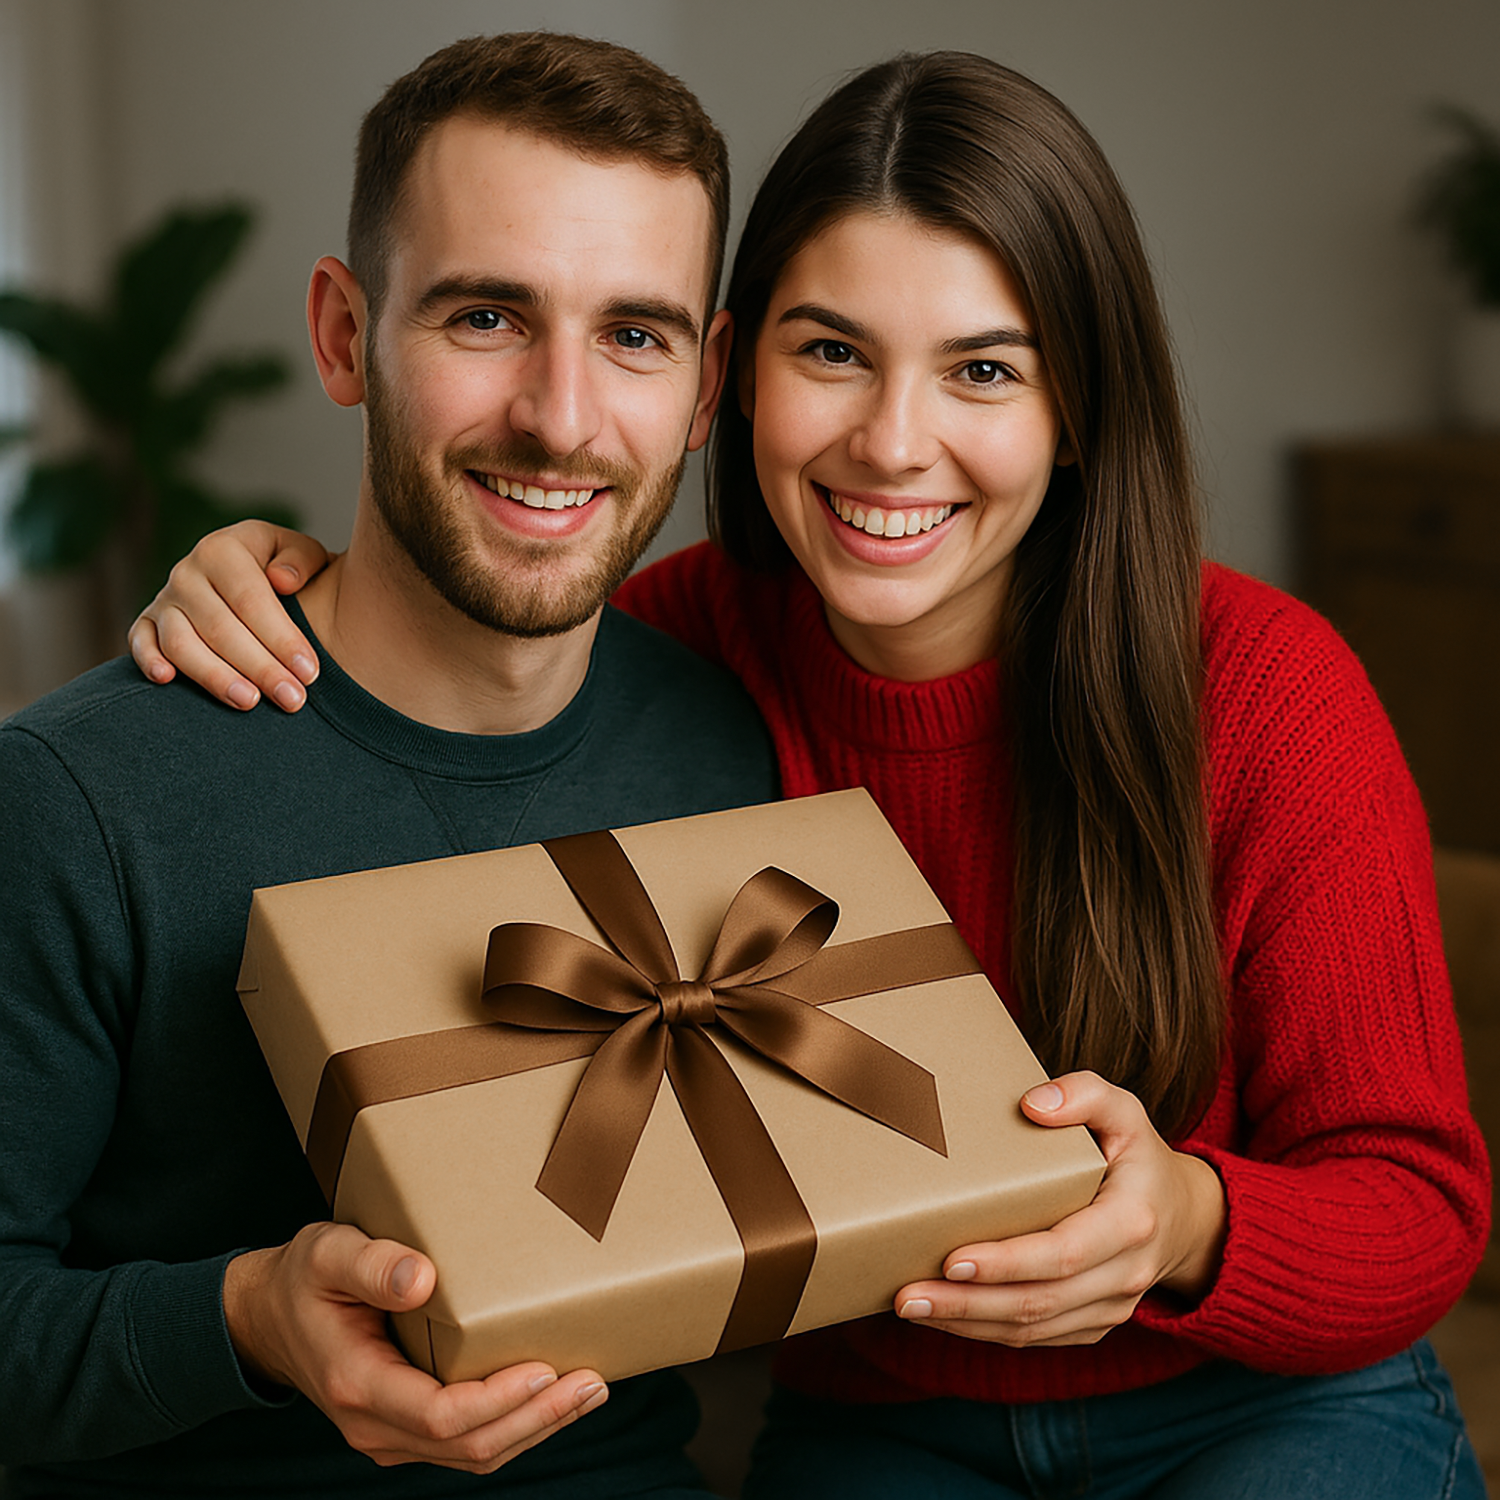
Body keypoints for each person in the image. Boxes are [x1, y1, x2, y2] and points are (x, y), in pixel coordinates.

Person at [131, 51, 1491, 1500]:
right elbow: (442, 676)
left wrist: (1192, 1224)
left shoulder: (1265, 687)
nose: (893, 445)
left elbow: (1419, 1204)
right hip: (880, 1423)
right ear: (734, 375)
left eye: (984, 369)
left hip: (1260, 1409)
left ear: (1078, 408)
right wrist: (266, 580)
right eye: (830, 352)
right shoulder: (669, 658)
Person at [0, 31, 781, 1500]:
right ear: (347, 335)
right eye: (487, 316)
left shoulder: (727, 741)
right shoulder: (75, 800)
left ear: (705, 380)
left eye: (634, 334)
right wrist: (243, 1319)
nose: (560, 416)